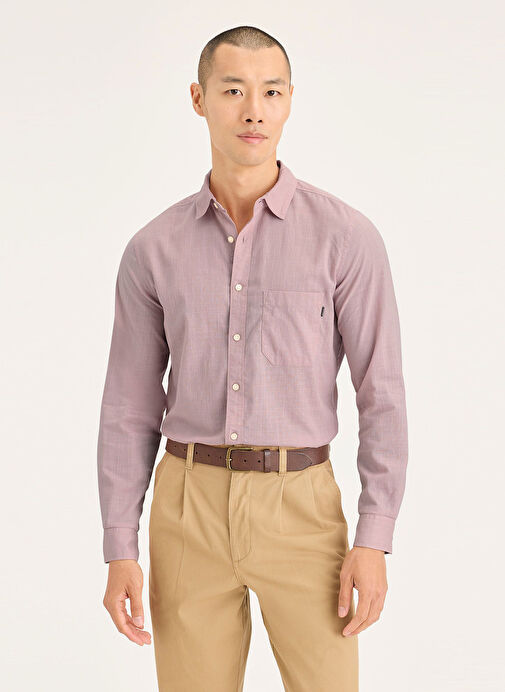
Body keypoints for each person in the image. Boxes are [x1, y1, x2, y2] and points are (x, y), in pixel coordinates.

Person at [97, 25, 408, 692]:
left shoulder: (345, 238)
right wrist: (120, 544)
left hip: (303, 507)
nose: (253, 111)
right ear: (199, 99)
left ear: (290, 100)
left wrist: (373, 537)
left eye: (270, 92)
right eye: (233, 90)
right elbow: (128, 407)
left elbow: (381, 394)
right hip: (187, 508)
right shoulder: (153, 249)